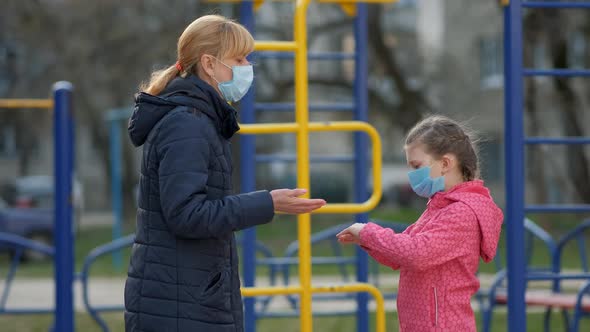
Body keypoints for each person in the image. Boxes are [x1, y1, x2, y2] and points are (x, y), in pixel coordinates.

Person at [125, 15, 326, 332]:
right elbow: (187, 214)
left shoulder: (198, 118)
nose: (248, 66)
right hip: (181, 305)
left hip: (188, 297)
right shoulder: (187, 124)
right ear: (209, 63)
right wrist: (267, 204)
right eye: (239, 58)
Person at [337, 115, 503, 331]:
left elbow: (416, 254)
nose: (412, 175)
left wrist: (368, 233)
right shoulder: (439, 207)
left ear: (445, 163)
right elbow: (402, 251)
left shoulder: (461, 213)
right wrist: (365, 239)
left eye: (417, 166)